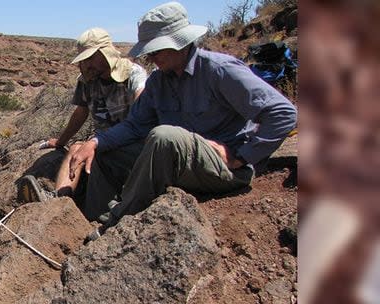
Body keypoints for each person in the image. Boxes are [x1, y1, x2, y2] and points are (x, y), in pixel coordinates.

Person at [70, 1, 297, 229]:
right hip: (182, 166)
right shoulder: (159, 82)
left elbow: (283, 113)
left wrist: (242, 156)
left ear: (180, 42)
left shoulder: (219, 70)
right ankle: (90, 221)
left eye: (156, 49)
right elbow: (134, 126)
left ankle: (116, 223)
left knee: (164, 136)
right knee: (106, 151)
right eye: (149, 51)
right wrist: (96, 141)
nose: (151, 57)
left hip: (224, 169)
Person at [17, 27, 147, 220]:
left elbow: (142, 110)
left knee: (85, 150)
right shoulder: (86, 81)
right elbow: (80, 113)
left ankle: (105, 211)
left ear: (105, 54)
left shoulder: (133, 74)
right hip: (101, 143)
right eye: (83, 60)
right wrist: (60, 142)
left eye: (90, 58)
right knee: (76, 148)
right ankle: (58, 201)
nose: (86, 65)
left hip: (128, 144)